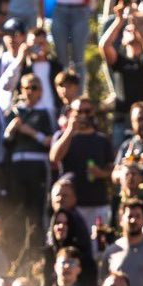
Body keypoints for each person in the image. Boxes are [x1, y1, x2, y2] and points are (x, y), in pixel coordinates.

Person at [0, 73, 56, 233]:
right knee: (18, 207)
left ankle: (37, 242)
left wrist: (30, 131)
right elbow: (5, 142)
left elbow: (50, 141)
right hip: (17, 164)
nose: (30, 91)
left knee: (37, 207)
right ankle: (17, 242)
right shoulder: (15, 112)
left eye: (34, 88)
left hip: (38, 164)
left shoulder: (45, 112)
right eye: (26, 88)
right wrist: (11, 129)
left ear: (41, 91)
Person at [100, 4, 143, 146]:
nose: (132, 30)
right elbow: (104, 45)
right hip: (122, 121)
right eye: (127, 30)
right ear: (122, 39)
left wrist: (136, 21)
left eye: (134, 29)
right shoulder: (119, 62)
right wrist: (119, 20)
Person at [49, 98, 114, 230]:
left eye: (87, 111)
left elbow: (112, 170)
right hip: (70, 205)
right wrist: (70, 130)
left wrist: (100, 173)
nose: (83, 115)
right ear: (71, 113)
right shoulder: (61, 136)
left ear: (93, 113)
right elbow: (54, 158)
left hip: (96, 203)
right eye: (79, 111)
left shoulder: (102, 140)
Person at [48, 0, 93, 94]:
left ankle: (79, 97)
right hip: (59, 10)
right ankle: (61, 96)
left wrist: (91, 8)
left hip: (80, 11)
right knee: (61, 61)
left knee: (79, 61)